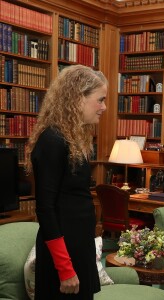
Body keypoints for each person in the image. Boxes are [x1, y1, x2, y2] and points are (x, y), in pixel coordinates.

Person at [25, 64, 108, 300]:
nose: (104, 107)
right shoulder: (52, 140)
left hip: (78, 248)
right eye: (100, 99)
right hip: (63, 258)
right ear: (78, 98)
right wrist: (64, 268)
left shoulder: (73, 138)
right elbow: (46, 209)